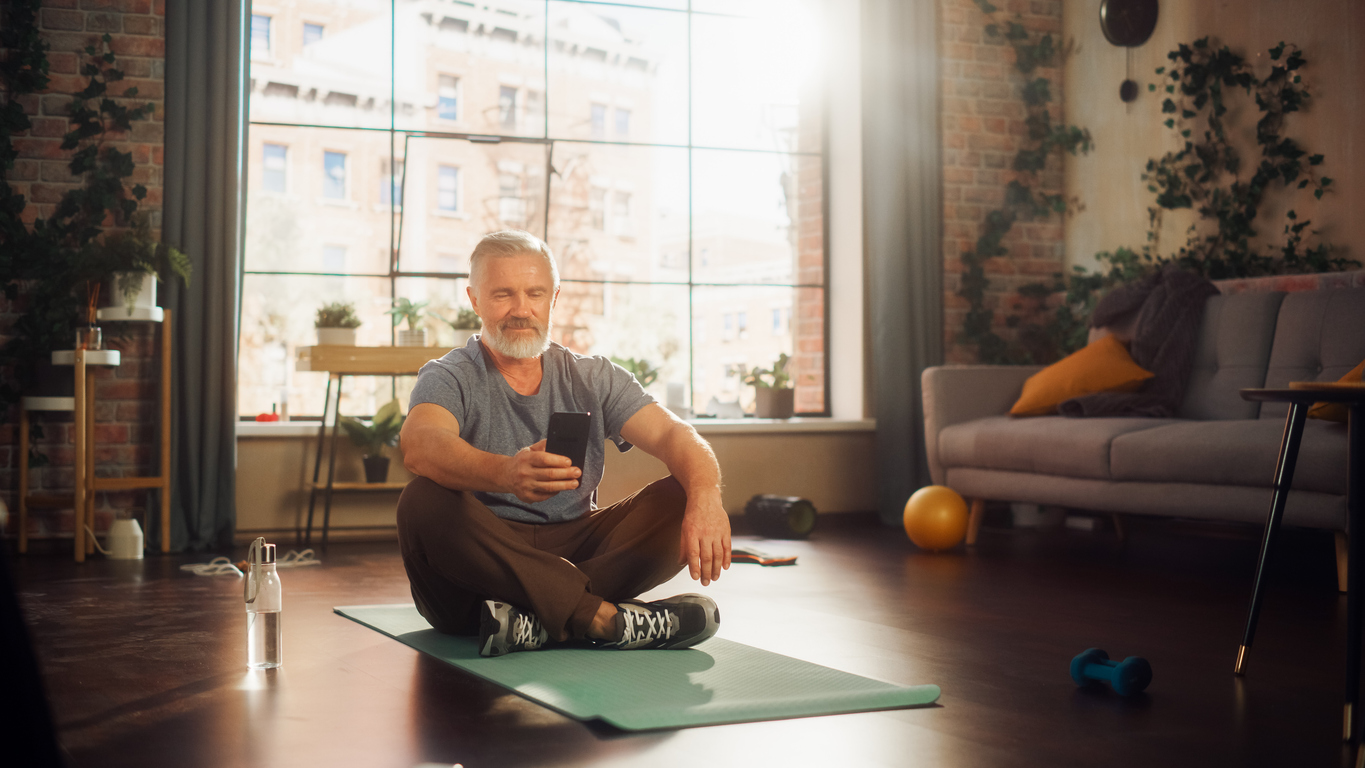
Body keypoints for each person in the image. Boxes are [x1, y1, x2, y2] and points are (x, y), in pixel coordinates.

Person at [397, 230, 731, 657]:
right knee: (420, 500)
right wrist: (505, 473)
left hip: (575, 549)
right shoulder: (448, 375)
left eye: (534, 293)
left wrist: (705, 495)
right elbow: (421, 443)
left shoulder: (593, 376)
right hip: (481, 567)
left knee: (685, 489)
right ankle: (602, 618)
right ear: (475, 300)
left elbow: (672, 434)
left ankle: (535, 621)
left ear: (553, 298)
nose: (521, 310)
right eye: (502, 295)